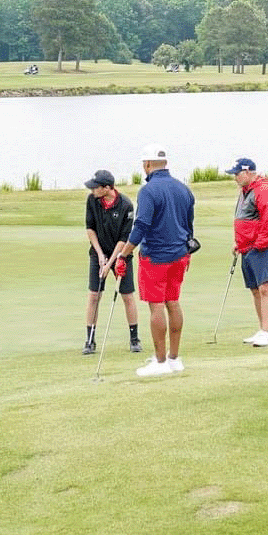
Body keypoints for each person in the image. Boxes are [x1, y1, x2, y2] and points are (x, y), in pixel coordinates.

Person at [110, 144, 196, 378]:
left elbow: (141, 226)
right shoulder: (183, 189)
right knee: (173, 302)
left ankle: (159, 362)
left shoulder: (148, 191)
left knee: (156, 306)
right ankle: (174, 359)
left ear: (147, 165)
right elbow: (189, 225)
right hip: (179, 255)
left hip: (155, 257)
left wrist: (124, 253)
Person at [82, 169, 141, 354]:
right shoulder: (92, 200)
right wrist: (100, 256)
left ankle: (134, 338)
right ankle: (90, 341)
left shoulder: (126, 205)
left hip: (122, 254)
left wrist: (110, 264)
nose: (92, 190)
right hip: (98, 252)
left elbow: (124, 240)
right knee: (94, 295)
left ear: (107, 188)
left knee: (127, 295)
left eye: (96, 187)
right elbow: (90, 229)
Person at [227, 157, 268, 347]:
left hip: (262, 246)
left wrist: (259, 244)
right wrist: (239, 243)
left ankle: (266, 332)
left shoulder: (263, 190)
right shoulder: (245, 191)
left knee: (265, 288)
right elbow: (245, 219)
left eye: (237, 173)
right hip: (247, 246)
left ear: (248, 172)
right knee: (255, 290)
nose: (235, 177)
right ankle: (263, 330)